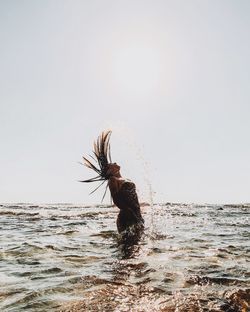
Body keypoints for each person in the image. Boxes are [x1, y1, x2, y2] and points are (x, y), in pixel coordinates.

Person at [80, 131, 144, 234]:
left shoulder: (124, 179)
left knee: (138, 245)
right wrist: (130, 212)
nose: (114, 163)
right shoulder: (112, 180)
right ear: (109, 171)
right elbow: (116, 200)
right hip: (127, 217)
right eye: (111, 164)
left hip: (136, 215)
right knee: (128, 247)